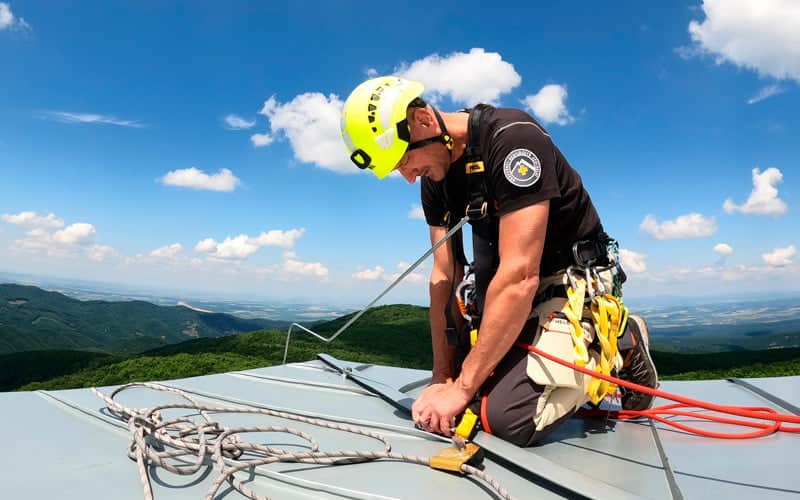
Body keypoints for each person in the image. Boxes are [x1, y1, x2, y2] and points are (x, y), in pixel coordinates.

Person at [340, 76, 658, 446]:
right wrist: (443, 377)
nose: (408, 177)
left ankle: (625, 341)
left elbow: (521, 275)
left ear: (424, 120)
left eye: (405, 159)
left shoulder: (513, 142)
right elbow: (445, 274)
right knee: (466, 396)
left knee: (508, 417)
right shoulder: (435, 177)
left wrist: (462, 387)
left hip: (565, 286)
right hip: (503, 289)